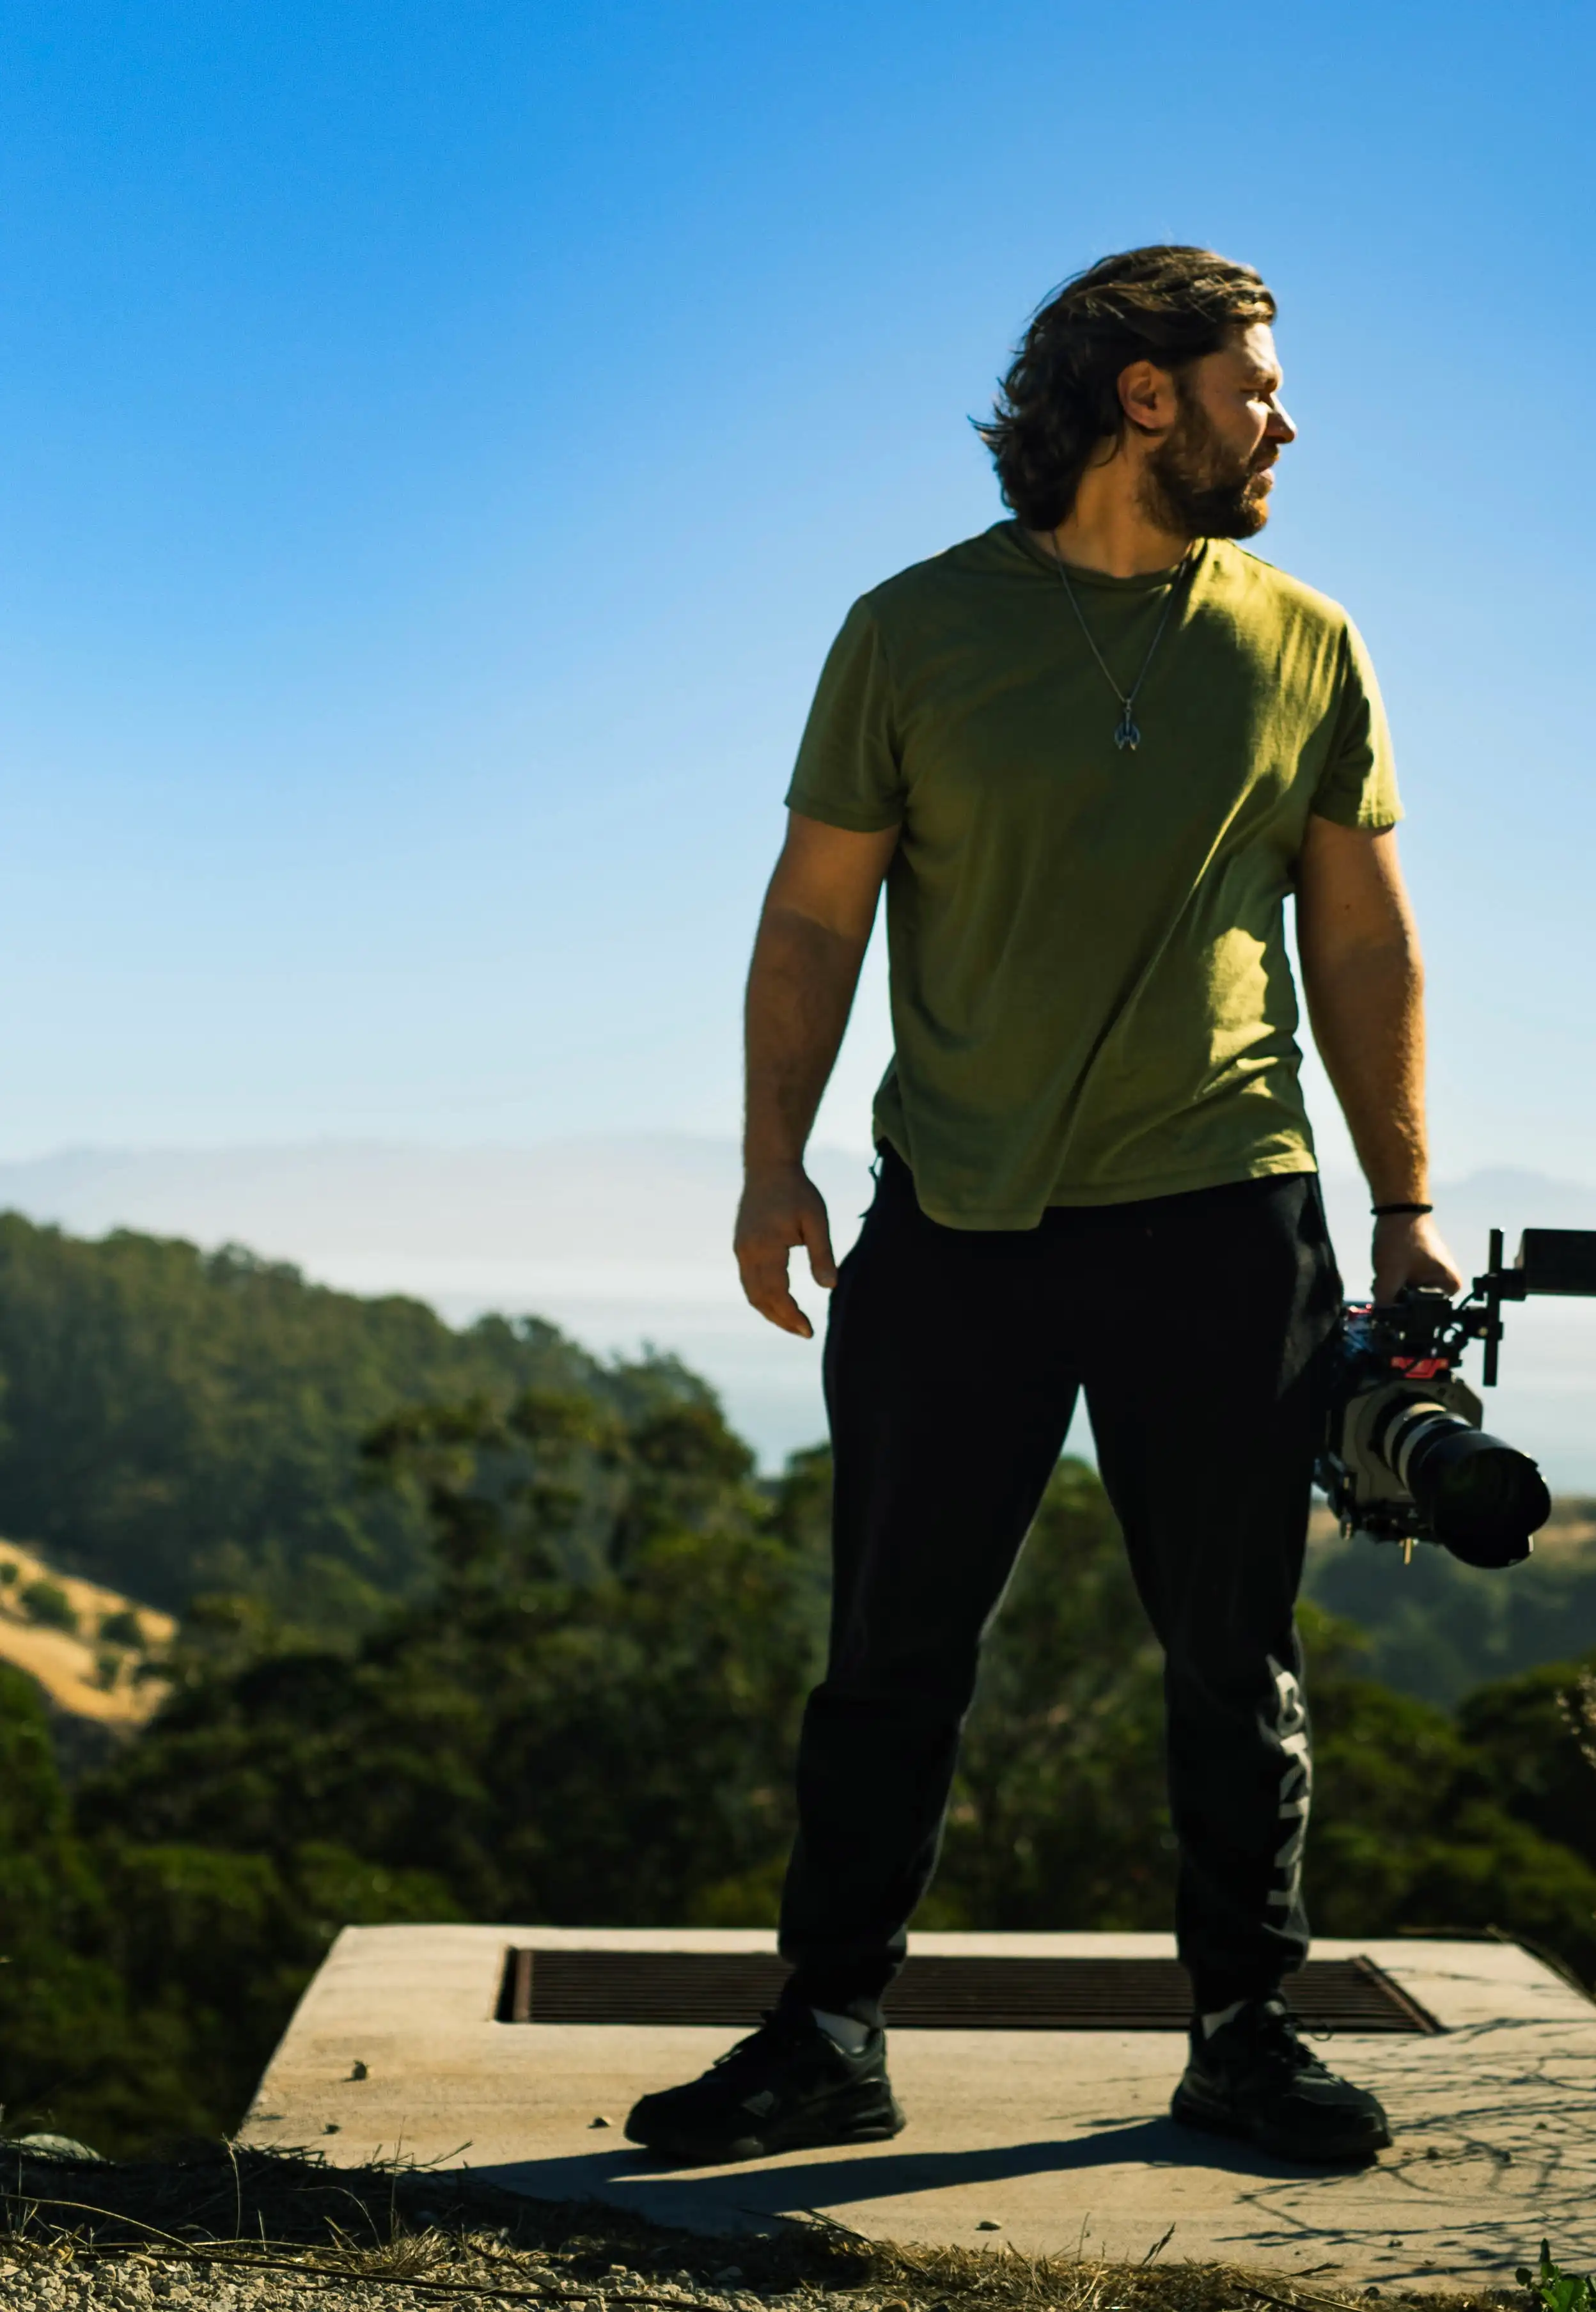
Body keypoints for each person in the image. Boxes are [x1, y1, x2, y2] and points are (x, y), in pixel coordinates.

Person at [625, 246, 1460, 2170]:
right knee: (889, 1652)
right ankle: (828, 2027)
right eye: (1254, 379)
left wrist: (1405, 1197)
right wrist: (773, 1157)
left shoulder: (1306, 638)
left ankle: (1248, 2031)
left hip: (1222, 1214)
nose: (1286, 415)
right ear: (1142, 396)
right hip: (959, 1223)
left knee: (1232, 1660)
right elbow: (813, 914)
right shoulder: (911, 632)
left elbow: (1359, 934)